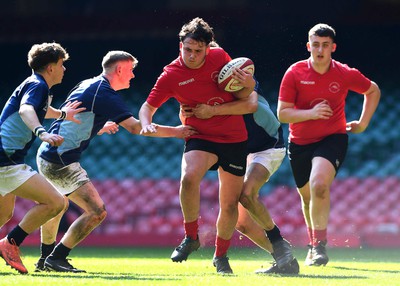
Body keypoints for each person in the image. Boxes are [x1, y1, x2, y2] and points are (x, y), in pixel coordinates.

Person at [34, 50, 196, 273]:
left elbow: (73, 119)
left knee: (56, 206)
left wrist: (97, 127)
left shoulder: (88, 84)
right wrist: (176, 132)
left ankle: (45, 258)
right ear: (119, 69)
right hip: (61, 160)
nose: (132, 76)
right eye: (130, 71)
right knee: (96, 211)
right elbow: (136, 128)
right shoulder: (105, 93)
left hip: (48, 153)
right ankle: (57, 257)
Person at [139, 17, 256, 274]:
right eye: (187, 49)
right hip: (199, 134)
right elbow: (147, 107)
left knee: (229, 203)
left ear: (208, 47)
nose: (192, 55)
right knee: (189, 179)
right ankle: (191, 237)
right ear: (180, 45)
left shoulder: (221, 56)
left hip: (234, 136)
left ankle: (221, 256)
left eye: (198, 51)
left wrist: (247, 83)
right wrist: (147, 122)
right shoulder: (170, 74)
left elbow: (246, 92)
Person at [277, 23, 380, 266]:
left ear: (333, 47)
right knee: (307, 197)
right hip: (300, 142)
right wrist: (311, 113)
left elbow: (372, 90)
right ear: (308, 46)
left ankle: (318, 246)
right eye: (315, 44)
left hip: (333, 137)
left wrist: (364, 123)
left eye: (325, 45)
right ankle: (314, 243)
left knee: (319, 185)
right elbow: (282, 114)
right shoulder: (294, 72)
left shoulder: (344, 73)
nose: (320, 50)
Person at [184, 80, 300, 275]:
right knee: (242, 224)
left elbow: (250, 102)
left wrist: (212, 111)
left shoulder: (237, 77)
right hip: (238, 151)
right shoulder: (202, 91)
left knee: (247, 195)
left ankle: (277, 239)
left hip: (268, 147)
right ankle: (285, 260)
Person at [0, 42, 84, 274]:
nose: (64, 69)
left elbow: (39, 109)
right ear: (50, 68)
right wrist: (43, 133)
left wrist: (63, 114)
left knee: (3, 214)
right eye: (61, 64)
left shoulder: (35, 86)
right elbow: (27, 110)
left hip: (5, 158)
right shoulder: (38, 86)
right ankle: (11, 243)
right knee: (57, 202)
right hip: (6, 159)